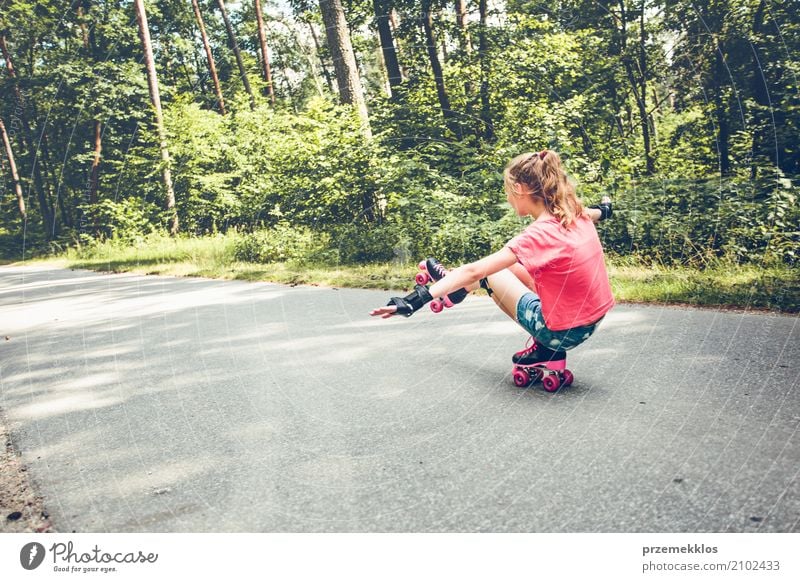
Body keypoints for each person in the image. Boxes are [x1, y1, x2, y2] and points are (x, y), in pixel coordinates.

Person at [369, 149, 615, 372]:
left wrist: (414, 301)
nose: (508, 198)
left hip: (561, 334)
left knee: (490, 273)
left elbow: (476, 270)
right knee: (512, 266)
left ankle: (454, 286)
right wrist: (605, 210)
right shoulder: (575, 213)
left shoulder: (539, 234)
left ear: (520, 189)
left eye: (508, 191)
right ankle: (456, 288)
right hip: (592, 321)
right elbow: (596, 214)